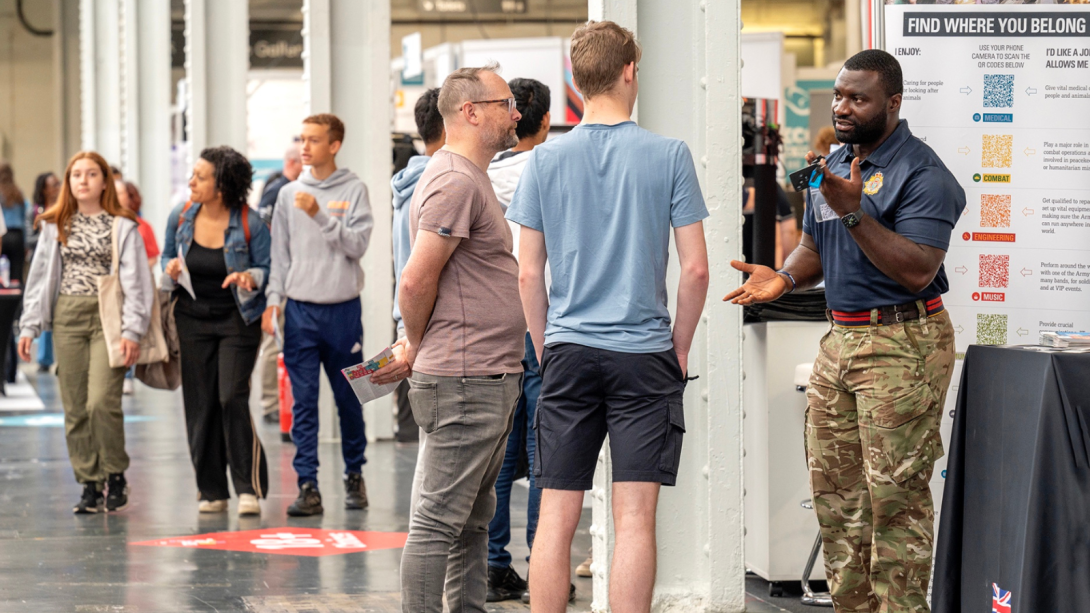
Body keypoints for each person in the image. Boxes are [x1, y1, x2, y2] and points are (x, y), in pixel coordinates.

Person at [725, 49, 964, 612]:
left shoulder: (925, 175)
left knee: (894, 501)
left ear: (893, 103)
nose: (843, 107)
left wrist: (857, 213)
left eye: (858, 98)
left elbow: (917, 269)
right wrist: (783, 279)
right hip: (840, 341)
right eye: (838, 95)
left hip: (902, 343)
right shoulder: (832, 165)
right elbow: (814, 246)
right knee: (838, 502)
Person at [506, 21, 710, 612]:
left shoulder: (543, 162)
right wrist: (678, 347)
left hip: (567, 351)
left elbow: (527, 273)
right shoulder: (668, 155)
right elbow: (695, 270)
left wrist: (547, 349)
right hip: (644, 354)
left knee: (556, 517)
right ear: (629, 73)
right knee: (635, 519)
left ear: (576, 79)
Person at [373, 62, 526, 613]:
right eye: (506, 103)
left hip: (485, 375)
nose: (517, 113)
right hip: (464, 378)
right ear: (471, 111)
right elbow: (416, 278)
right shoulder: (456, 180)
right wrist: (413, 342)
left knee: (471, 521)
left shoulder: (466, 175)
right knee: (439, 521)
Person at [18, 151, 154, 514]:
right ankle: (90, 484)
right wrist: (30, 325)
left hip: (107, 318)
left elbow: (138, 283)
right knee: (75, 408)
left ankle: (116, 472)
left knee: (101, 402)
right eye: (76, 174)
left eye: (91, 174)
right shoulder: (54, 224)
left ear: (104, 181)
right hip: (67, 316)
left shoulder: (122, 225)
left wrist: (133, 331)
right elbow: (38, 279)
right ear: (69, 182)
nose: (83, 180)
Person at [262, 114, 374, 516]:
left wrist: (321, 215)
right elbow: (280, 256)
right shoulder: (288, 194)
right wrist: (274, 300)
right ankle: (307, 485)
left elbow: (358, 245)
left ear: (334, 144)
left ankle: (354, 475)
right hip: (301, 313)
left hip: (344, 311)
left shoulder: (355, 190)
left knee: (350, 400)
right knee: (304, 404)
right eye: (302, 139)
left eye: (313, 140)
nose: (305, 147)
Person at [162, 146, 271, 517]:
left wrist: (249, 277)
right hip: (191, 318)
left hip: (237, 319)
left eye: (200, 176)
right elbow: (164, 258)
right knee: (200, 402)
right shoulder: (180, 217)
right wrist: (171, 269)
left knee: (230, 396)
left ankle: (248, 486)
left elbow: (266, 268)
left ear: (221, 185)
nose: (191, 182)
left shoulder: (250, 223)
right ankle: (211, 488)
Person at [482, 76, 554, 603]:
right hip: (547, 322)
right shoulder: (553, 170)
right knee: (542, 447)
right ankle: (542, 568)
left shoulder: (482, 176)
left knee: (503, 454)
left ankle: (493, 563)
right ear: (545, 121)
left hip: (499, 323)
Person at [391, 87, 444, 442]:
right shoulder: (439, 187)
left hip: (413, 328)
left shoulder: (408, 185)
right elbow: (415, 278)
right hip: (431, 332)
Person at [257, 143, 302, 423]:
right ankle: (270, 403)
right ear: (293, 163)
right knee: (274, 342)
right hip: (278, 278)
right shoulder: (279, 192)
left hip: (288, 277)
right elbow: (268, 236)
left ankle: (278, 402)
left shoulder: (284, 190)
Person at [116, 180, 161, 395]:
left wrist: (136, 267)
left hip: (137, 285)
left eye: (121, 193)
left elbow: (153, 256)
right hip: (114, 288)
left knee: (134, 329)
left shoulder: (143, 226)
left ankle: (128, 373)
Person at [29, 172, 61, 372]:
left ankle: (55, 357)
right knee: (44, 309)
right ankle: (44, 358)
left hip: (59, 268)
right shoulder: (35, 211)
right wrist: (44, 234)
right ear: (44, 189)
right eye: (53, 185)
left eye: (59, 184)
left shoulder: (65, 209)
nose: (57, 187)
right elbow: (28, 238)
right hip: (42, 263)